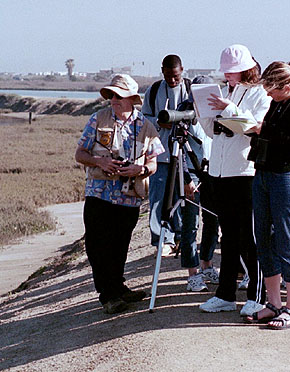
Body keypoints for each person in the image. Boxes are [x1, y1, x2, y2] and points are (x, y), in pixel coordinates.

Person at [75, 74, 164, 314]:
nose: (113, 99)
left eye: (118, 96)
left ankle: (118, 287)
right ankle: (108, 295)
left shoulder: (145, 125)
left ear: (131, 99)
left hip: (129, 195)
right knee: (97, 246)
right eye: (111, 95)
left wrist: (140, 169)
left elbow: (154, 162)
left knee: (120, 245)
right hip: (99, 194)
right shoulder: (97, 119)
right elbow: (80, 154)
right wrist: (99, 162)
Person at [198, 45, 271, 316]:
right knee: (227, 237)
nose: (228, 77)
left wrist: (229, 109)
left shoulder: (259, 94)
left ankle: (259, 295)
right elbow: (212, 131)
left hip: (245, 172)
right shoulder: (225, 91)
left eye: (233, 72)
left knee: (250, 237)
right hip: (220, 172)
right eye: (226, 73)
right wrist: (206, 113)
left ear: (246, 69)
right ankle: (226, 294)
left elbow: (255, 128)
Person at [246, 61, 290, 329]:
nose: (269, 96)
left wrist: (265, 131)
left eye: (273, 91)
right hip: (264, 172)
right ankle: (273, 302)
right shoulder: (277, 101)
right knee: (263, 237)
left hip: (287, 176)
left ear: (287, 87)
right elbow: (271, 134)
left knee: (287, 239)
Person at [142, 55, 190, 252]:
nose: (172, 80)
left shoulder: (191, 89)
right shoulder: (153, 91)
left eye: (176, 76)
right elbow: (143, 118)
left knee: (184, 197)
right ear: (162, 71)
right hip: (161, 154)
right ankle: (162, 239)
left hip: (186, 154)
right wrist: (159, 122)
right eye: (168, 76)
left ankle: (182, 237)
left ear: (182, 71)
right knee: (158, 198)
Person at [177, 75, 220, 292]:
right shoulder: (184, 111)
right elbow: (180, 149)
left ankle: (207, 264)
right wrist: (185, 180)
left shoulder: (217, 108)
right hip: (192, 174)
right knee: (190, 225)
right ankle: (192, 273)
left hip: (215, 171)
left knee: (213, 222)